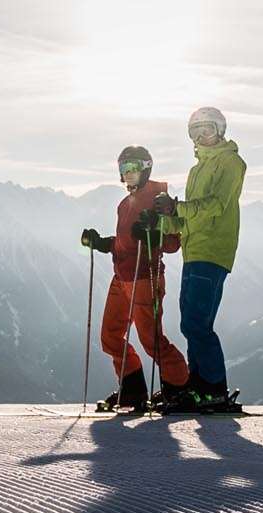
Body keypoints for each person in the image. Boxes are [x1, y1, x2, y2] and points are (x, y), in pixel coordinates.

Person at [80, 145, 191, 413]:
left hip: (144, 278)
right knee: (110, 335)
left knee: (152, 340)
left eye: (133, 168)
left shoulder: (159, 200)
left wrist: (154, 234)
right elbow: (124, 244)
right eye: (123, 168)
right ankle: (132, 390)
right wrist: (102, 243)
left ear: (146, 169)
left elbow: (173, 243)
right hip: (122, 278)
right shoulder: (124, 205)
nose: (127, 173)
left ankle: (180, 388)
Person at [153, 106, 245, 411]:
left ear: (220, 130)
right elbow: (187, 219)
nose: (202, 137)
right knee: (189, 322)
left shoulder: (231, 162)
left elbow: (217, 204)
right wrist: (161, 222)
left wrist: (177, 207)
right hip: (193, 251)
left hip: (213, 250)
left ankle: (214, 389)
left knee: (197, 322)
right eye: (195, 132)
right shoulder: (196, 170)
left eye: (207, 130)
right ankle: (198, 386)